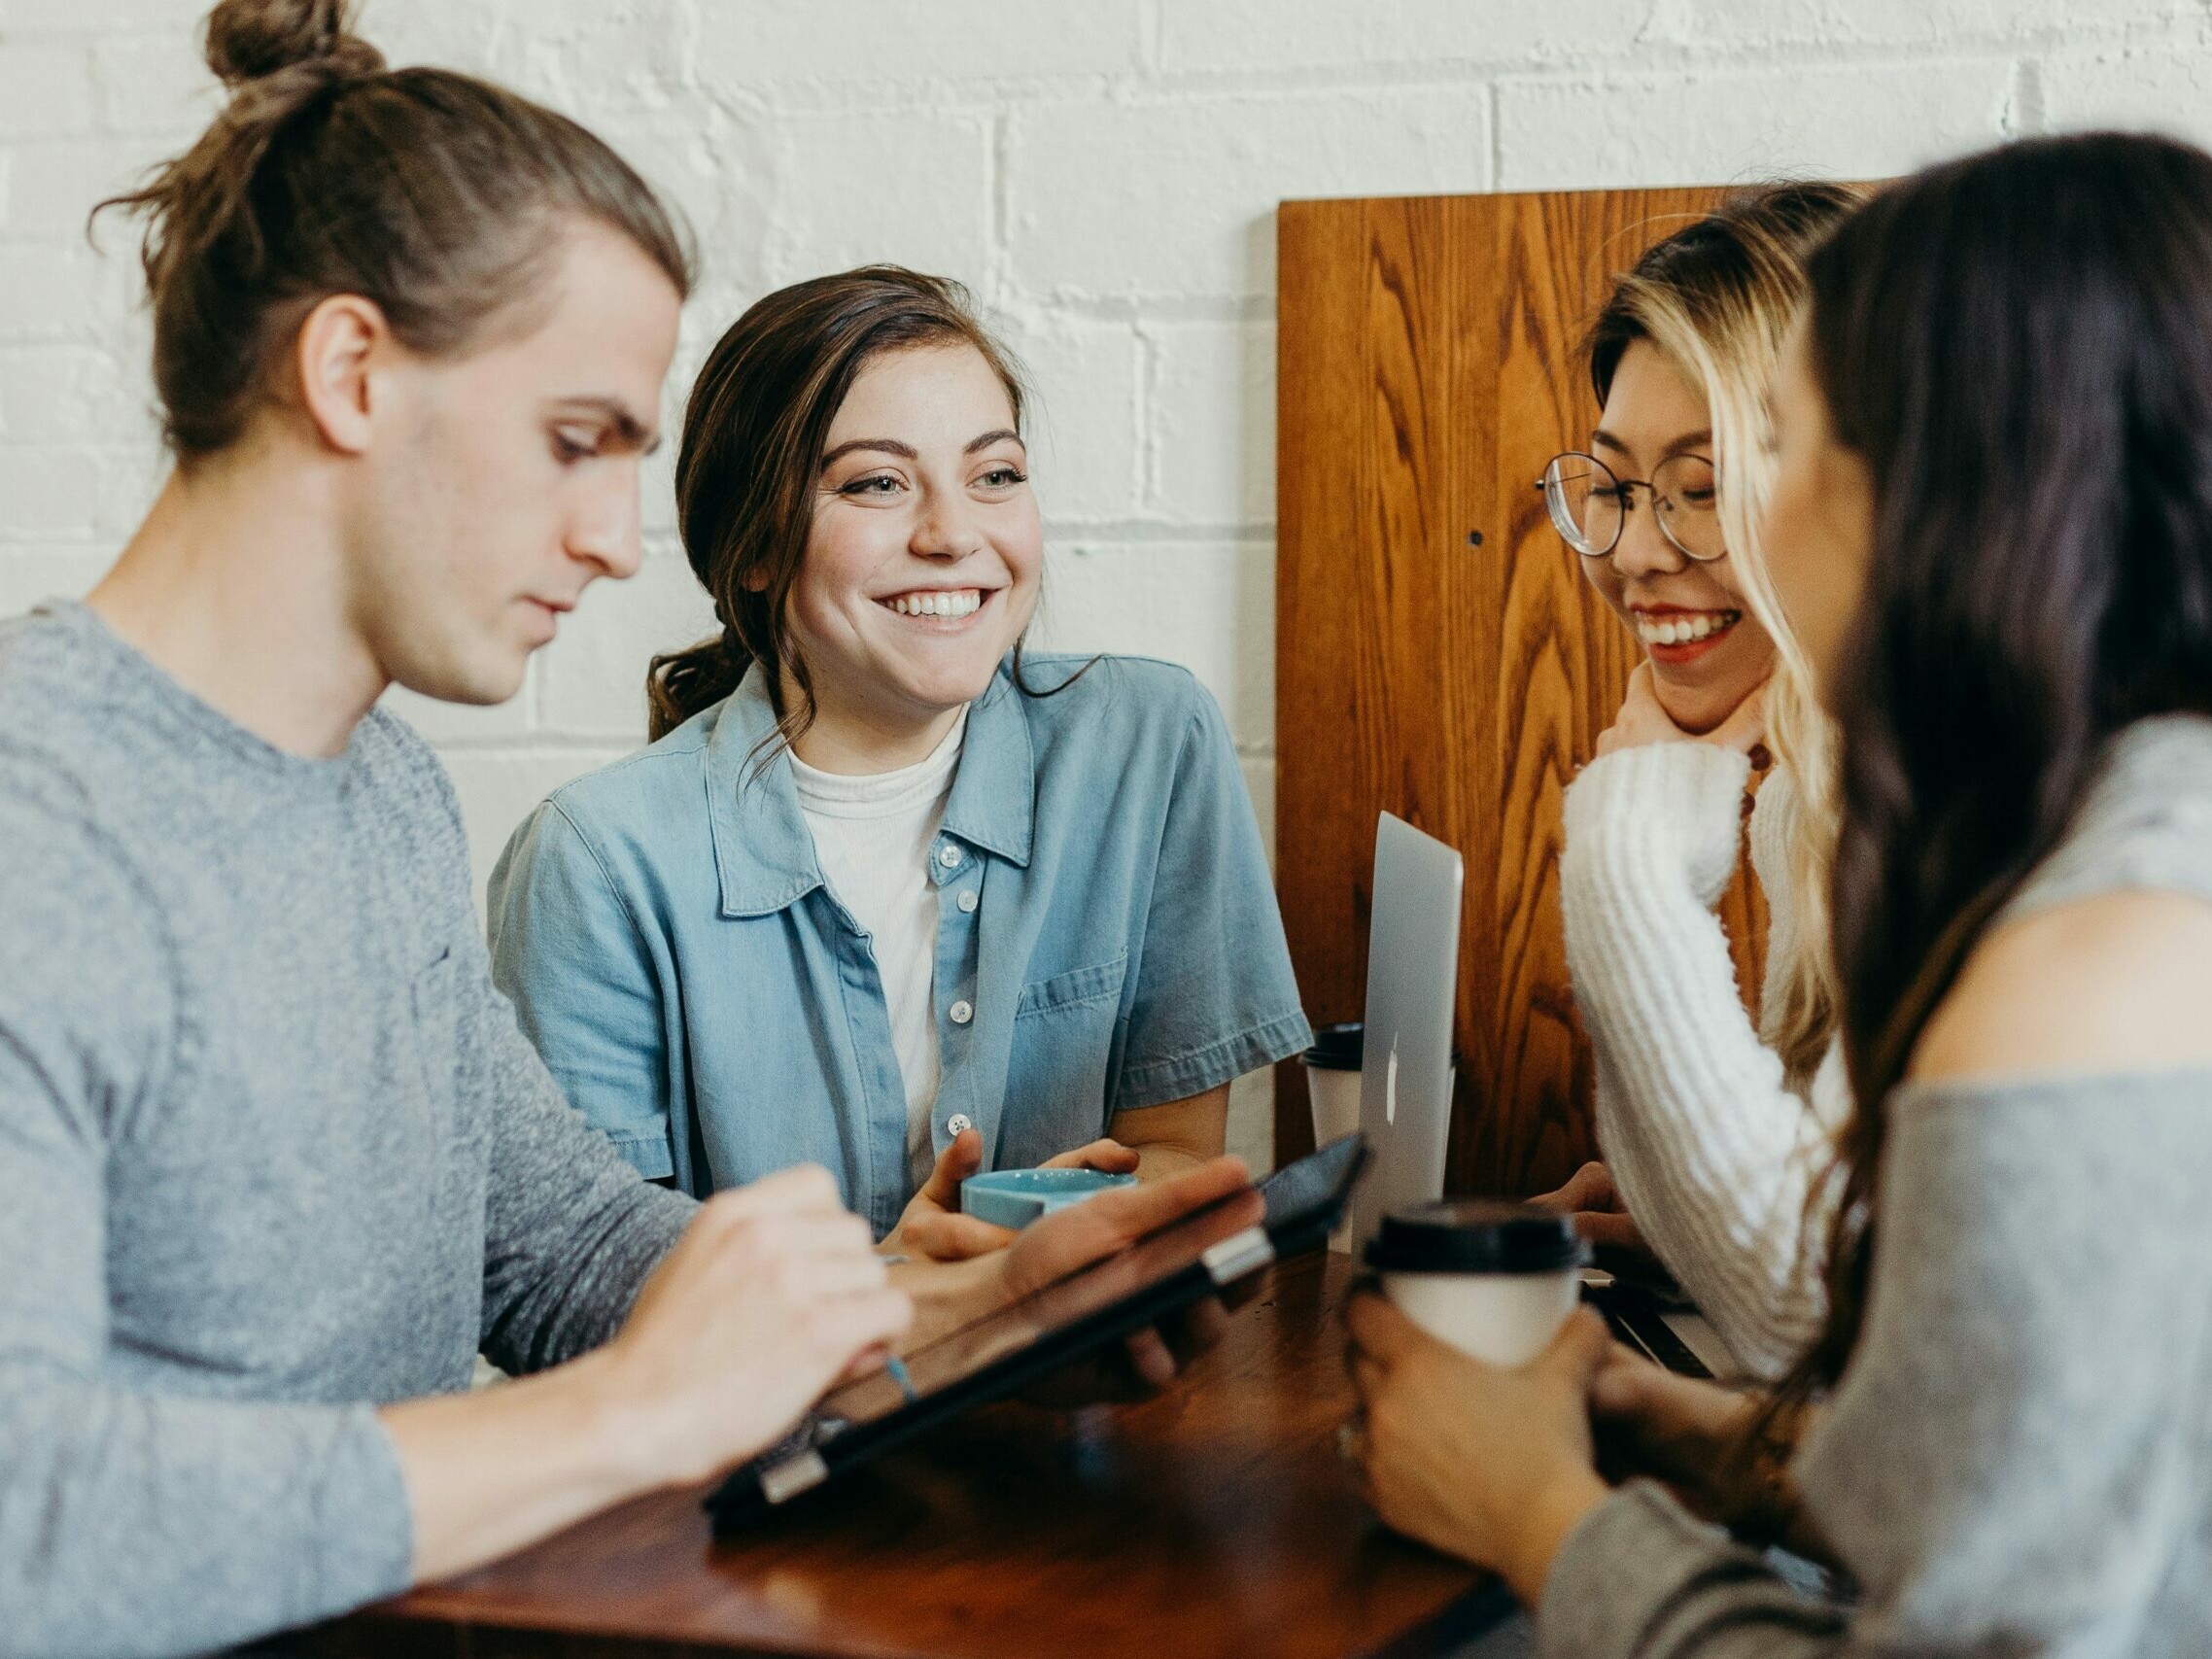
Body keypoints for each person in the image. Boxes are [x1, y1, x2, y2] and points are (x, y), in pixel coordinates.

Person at [0, 8, 1250, 1655]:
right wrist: (635, 1416)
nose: (611, 540)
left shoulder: (376, 794)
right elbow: (28, 1523)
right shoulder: (43, 828)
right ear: (351, 371)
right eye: (575, 441)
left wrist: (936, 1319)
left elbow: (565, 1244)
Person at [1348, 131, 2212, 1653]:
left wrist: (1541, 1516)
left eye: (1781, 445)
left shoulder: (2093, 957)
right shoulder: (2116, 840)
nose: (1665, 544)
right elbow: (2032, 1499)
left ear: (1960, 486)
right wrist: (1711, 1444)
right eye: (1617, 486)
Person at [486, 266, 1310, 1256]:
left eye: (993, 475)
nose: (953, 534)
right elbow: (593, 1286)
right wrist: (904, 1295)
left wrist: (1055, 1238)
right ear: (751, 547)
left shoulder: (1146, 744)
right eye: (876, 483)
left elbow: (1174, 1152)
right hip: (779, 1411)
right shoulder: (595, 862)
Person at [1529, 185, 1861, 1379]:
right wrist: (1677, 1214)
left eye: (1703, 484)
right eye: (1612, 486)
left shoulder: (1954, 807)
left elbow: (1804, 1317)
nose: (1631, 552)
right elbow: (1827, 1262)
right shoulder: (1813, 794)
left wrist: (1624, 853)